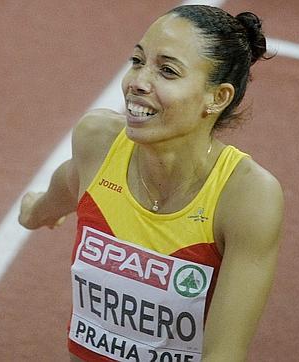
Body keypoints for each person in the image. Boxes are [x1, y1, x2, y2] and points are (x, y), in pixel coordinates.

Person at [19, 5, 283, 361]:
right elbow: (68, 186)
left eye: (168, 71)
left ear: (217, 97)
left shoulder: (245, 197)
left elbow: (223, 354)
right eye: (137, 60)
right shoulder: (99, 141)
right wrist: (35, 211)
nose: (137, 82)